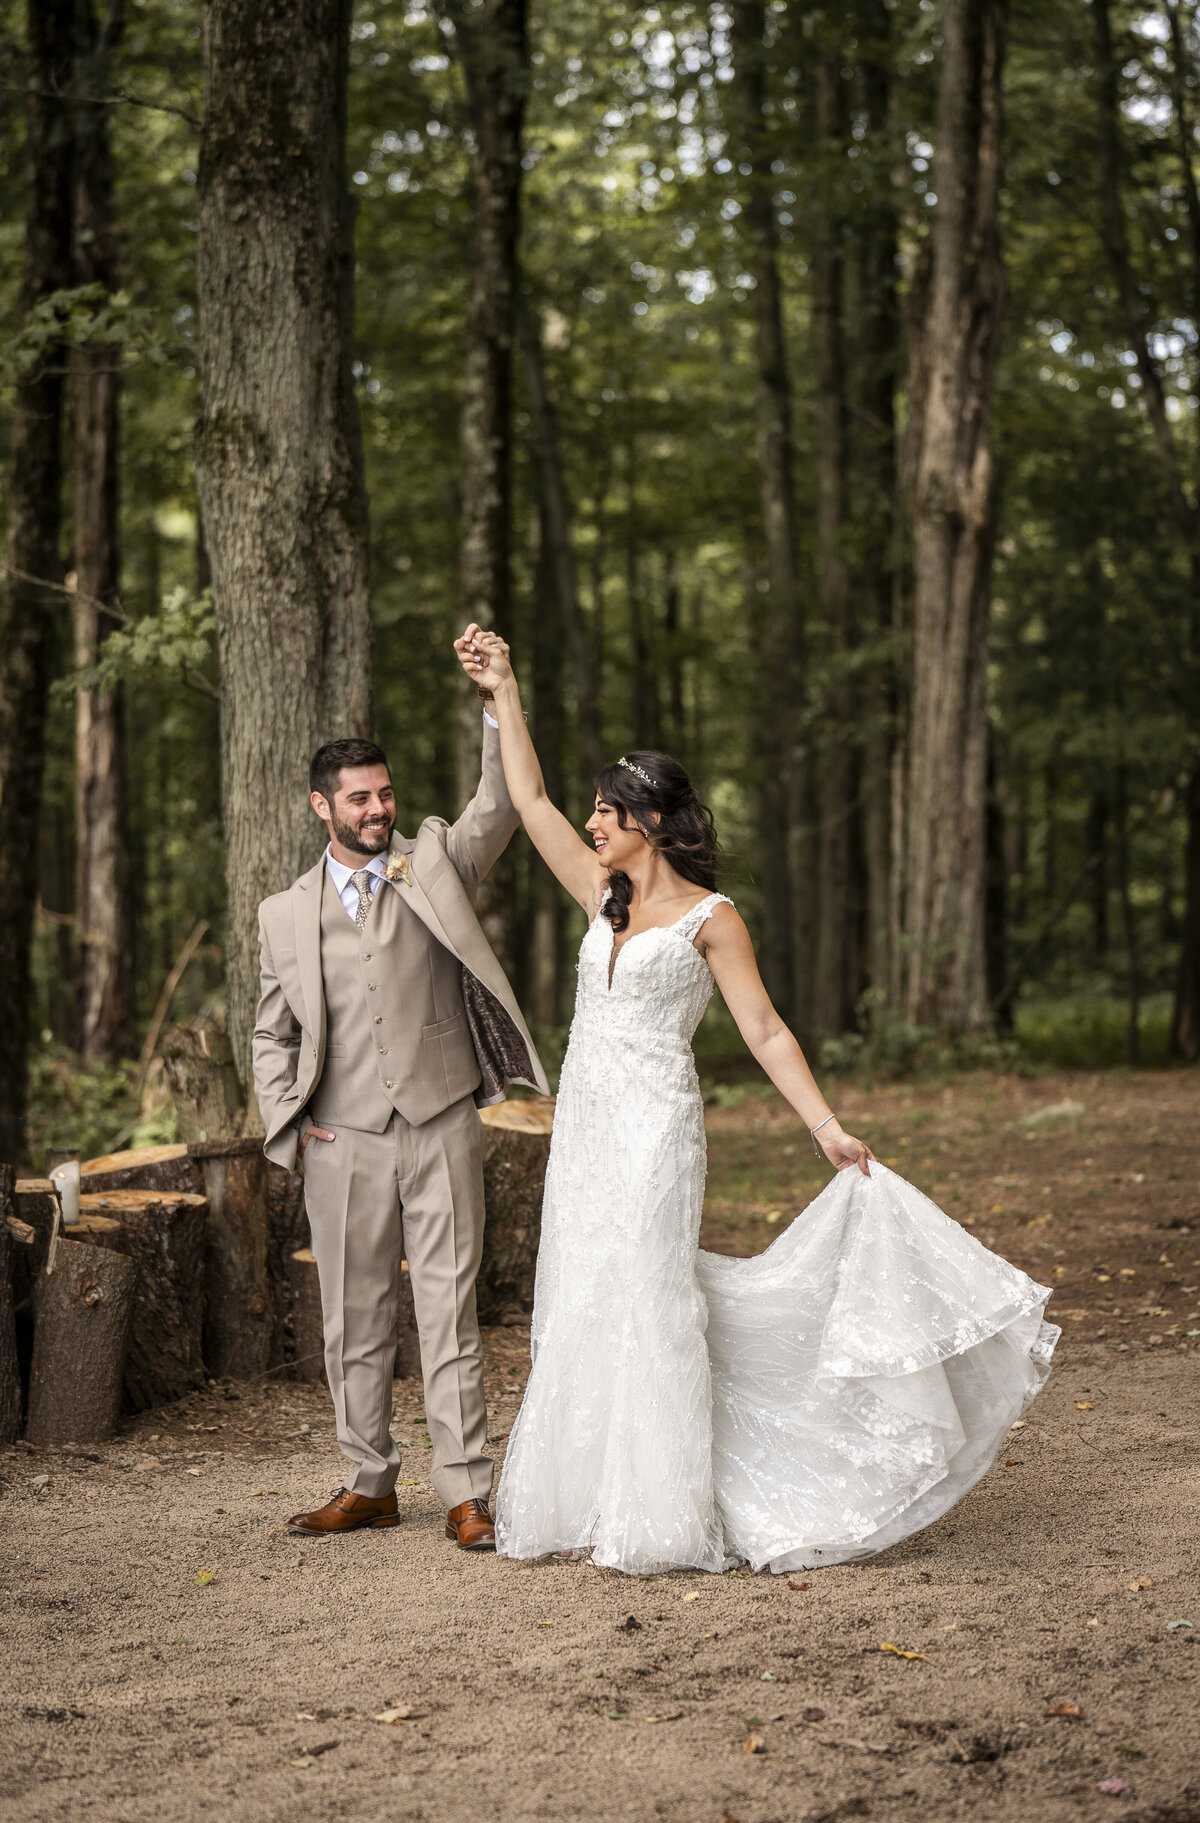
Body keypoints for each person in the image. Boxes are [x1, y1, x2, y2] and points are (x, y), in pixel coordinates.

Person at [453, 623, 1060, 1575]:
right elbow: (525, 797)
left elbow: (766, 1029)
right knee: (585, 1291)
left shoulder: (710, 919)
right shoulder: (597, 893)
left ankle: (659, 1512)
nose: (593, 822)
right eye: (595, 812)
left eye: (607, 811)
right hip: (587, 1126)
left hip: (656, 1127)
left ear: (648, 821)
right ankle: (589, 1495)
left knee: (652, 1294)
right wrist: (506, 687)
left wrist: (826, 1128)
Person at [252, 722, 548, 1549]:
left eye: (385, 792)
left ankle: (465, 1491)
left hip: (442, 1118)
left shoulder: (434, 862)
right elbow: (271, 1031)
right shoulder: (282, 914)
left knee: (449, 1307)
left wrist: (495, 705)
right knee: (353, 1316)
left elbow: (497, 805)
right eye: (360, 798)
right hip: (340, 1138)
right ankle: (369, 1480)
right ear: (323, 807)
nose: (379, 808)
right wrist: (292, 1121)